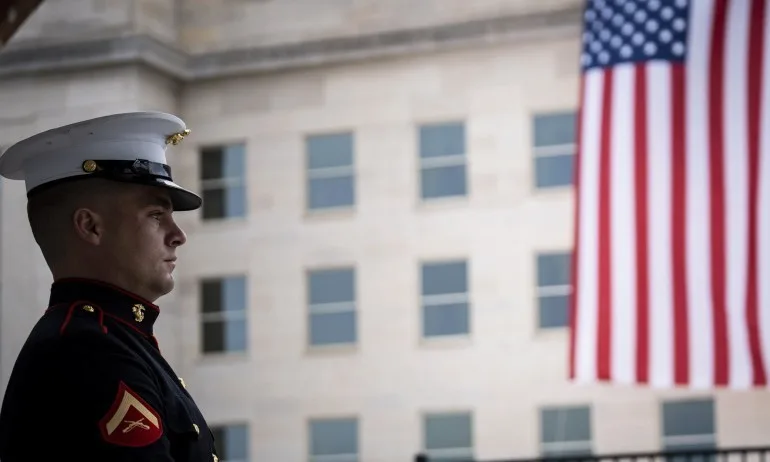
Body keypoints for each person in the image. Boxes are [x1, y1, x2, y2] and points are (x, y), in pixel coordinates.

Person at [0, 112, 220, 461]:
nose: (178, 236)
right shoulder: (89, 350)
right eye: (155, 215)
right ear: (90, 227)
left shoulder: (110, 338)